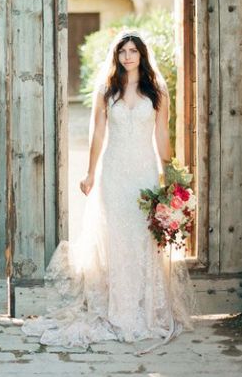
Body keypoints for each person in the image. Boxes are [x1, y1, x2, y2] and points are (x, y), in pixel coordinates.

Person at [22, 30, 193, 351]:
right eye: (123, 52)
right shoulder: (107, 91)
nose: (128, 56)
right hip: (113, 173)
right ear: (116, 56)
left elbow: (162, 137)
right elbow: (98, 134)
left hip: (143, 174)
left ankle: (143, 309)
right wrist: (89, 173)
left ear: (142, 55)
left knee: (141, 237)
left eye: (133, 51)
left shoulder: (157, 92)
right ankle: (116, 309)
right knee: (116, 238)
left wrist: (170, 176)